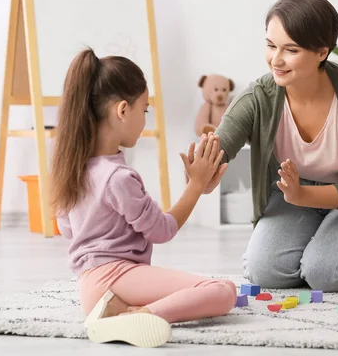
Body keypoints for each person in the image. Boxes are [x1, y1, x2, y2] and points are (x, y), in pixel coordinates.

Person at [200, 0, 338, 292]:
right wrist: (202, 174)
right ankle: (319, 250)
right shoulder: (258, 97)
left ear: (322, 52)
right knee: (265, 272)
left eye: (291, 50)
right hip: (293, 196)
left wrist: (303, 196)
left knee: (326, 274)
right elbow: (222, 145)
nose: (276, 59)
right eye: (271, 45)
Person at [50, 48, 237, 348]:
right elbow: (161, 230)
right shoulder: (118, 178)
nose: (145, 120)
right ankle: (139, 315)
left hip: (89, 285)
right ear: (123, 110)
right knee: (222, 290)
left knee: (208, 289)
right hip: (116, 280)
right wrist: (195, 186)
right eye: (144, 110)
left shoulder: (73, 167)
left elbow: (67, 228)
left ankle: (122, 312)